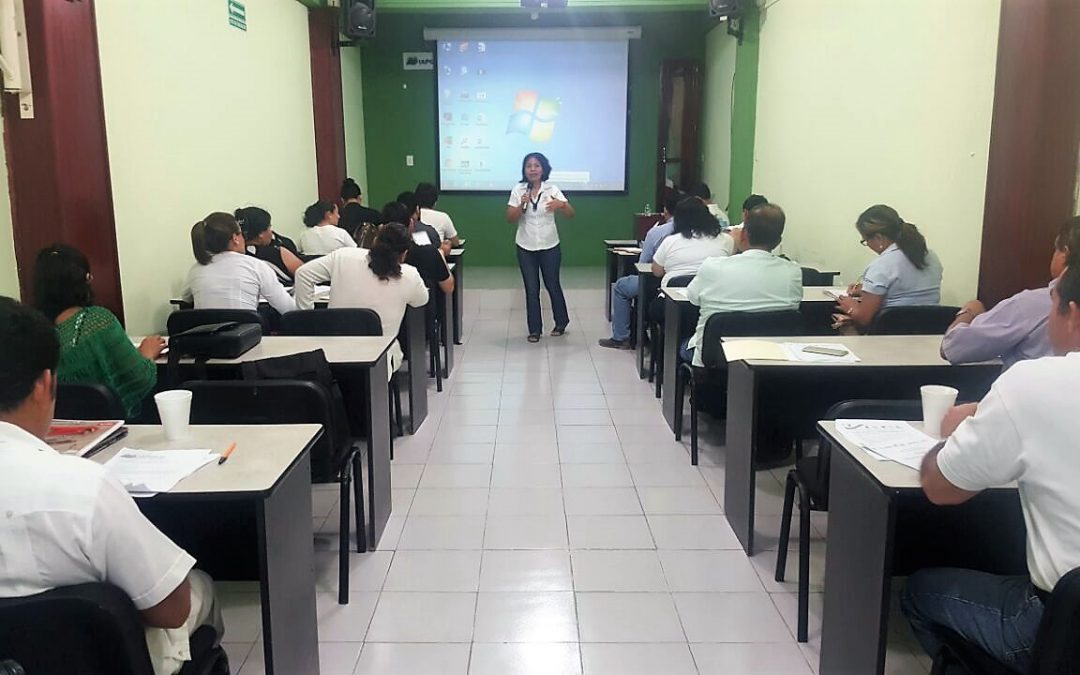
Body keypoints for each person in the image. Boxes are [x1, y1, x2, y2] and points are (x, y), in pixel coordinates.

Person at [0, 297, 223, 675]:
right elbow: (171, 609)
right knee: (199, 588)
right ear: (44, 385)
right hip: (96, 661)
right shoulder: (82, 489)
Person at [900, 262, 1080, 673]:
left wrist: (956, 434)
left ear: (1073, 313)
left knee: (919, 591)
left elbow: (941, 488)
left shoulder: (1034, 382)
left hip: (1061, 628)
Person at [32, 245, 162, 417]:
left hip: (54, 428)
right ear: (85, 279)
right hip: (110, 426)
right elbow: (139, 377)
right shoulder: (98, 321)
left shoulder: (31, 333)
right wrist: (147, 354)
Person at [941, 216, 1080, 368]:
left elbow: (952, 348)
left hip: (1025, 383)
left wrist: (969, 312)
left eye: (1055, 249)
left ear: (1065, 253)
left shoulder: (1031, 305)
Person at [293, 223, 429, 376]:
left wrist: (307, 319)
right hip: (379, 361)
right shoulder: (410, 275)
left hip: (332, 354)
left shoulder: (343, 256)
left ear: (375, 241)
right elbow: (422, 300)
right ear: (404, 254)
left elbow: (303, 274)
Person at [682, 203, 803, 365]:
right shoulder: (792, 272)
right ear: (777, 242)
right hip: (770, 360)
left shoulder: (713, 266)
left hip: (715, 359)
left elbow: (692, 299)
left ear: (744, 234)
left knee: (684, 345)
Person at [834, 204, 943, 332]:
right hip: (929, 334)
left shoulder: (881, 265)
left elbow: (864, 318)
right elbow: (909, 293)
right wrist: (868, 290)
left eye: (866, 241)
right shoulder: (931, 256)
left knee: (842, 323)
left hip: (889, 336)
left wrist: (850, 306)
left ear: (879, 238)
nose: (868, 245)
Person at [506, 152, 574, 342]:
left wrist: (561, 205)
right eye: (529, 166)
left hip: (550, 245)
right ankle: (534, 330)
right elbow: (510, 218)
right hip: (525, 246)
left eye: (536, 165)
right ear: (524, 170)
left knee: (552, 284)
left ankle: (561, 322)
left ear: (543, 169)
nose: (533, 169)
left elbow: (571, 213)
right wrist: (521, 205)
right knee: (531, 288)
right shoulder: (518, 190)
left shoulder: (552, 189)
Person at [598, 190, 680, 349]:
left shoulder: (657, 232)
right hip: (687, 286)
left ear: (666, 210)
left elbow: (642, 264)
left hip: (656, 282)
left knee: (621, 286)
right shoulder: (706, 235)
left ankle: (621, 337)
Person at [182, 212, 296, 315]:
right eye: (241, 234)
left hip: (205, 331)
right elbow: (289, 309)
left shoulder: (196, 269)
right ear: (235, 238)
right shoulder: (255, 266)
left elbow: (185, 298)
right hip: (245, 330)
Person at [650, 196, 734, 287]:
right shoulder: (726, 240)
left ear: (678, 220)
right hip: (711, 292)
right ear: (709, 216)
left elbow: (657, 272)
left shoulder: (670, 241)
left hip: (673, 293)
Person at [382, 201, 454, 295]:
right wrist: (441, 256)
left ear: (381, 227)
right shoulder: (429, 253)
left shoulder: (372, 254)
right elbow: (449, 288)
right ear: (411, 224)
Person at [236, 206, 304, 282]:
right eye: (269, 227)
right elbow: (306, 275)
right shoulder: (277, 252)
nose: (271, 232)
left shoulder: (234, 256)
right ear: (261, 233)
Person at [416, 182, 461, 247]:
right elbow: (455, 242)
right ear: (435, 202)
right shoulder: (443, 217)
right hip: (437, 252)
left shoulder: (410, 216)